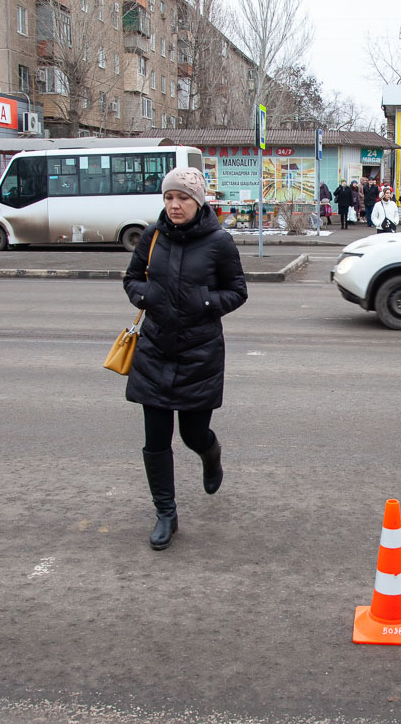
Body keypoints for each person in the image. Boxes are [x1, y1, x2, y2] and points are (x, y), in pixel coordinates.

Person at [123, 166, 248, 550]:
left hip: (199, 353)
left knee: (193, 434)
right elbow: (132, 279)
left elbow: (238, 290)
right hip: (155, 349)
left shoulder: (219, 242)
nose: (174, 205)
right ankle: (166, 513)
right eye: (169, 197)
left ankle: (211, 455)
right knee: (156, 439)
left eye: (183, 198)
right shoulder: (152, 235)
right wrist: (148, 297)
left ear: (199, 201)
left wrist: (205, 301)